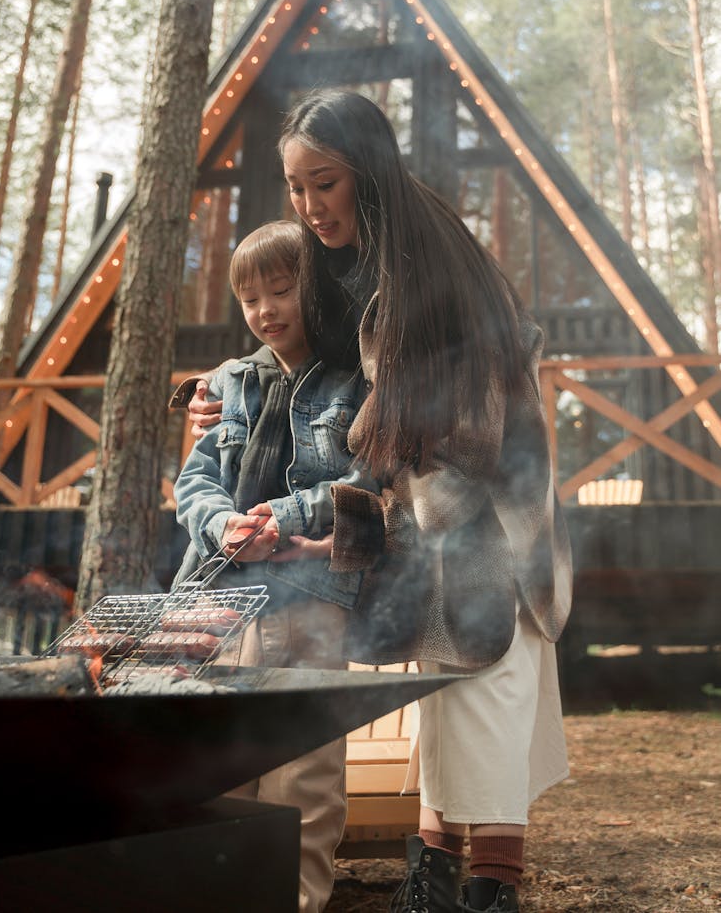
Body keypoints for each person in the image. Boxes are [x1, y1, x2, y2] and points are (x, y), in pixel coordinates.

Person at [187, 90, 573, 913]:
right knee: (445, 684)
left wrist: (332, 528)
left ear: (365, 168)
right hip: (424, 519)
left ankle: (490, 886)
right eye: (295, 188)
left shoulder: (432, 270)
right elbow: (299, 356)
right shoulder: (354, 260)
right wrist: (216, 391)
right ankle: (434, 871)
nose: (308, 206)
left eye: (322, 183)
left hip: (488, 516)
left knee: (489, 675)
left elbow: (458, 449)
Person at [171, 219, 377, 913]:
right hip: (217, 595)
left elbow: (366, 479)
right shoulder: (230, 381)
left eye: (282, 290)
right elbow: (195, 482)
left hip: (308, 590)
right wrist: (222, 521)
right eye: (250, 299)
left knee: (303, 767)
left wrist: (285, 517)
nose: (265, 310)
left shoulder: (353, 378)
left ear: (313, 288)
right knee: (217, 755)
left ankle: (293, 899)